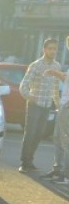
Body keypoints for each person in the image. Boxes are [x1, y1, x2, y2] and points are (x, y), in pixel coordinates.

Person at [17, 37, 65, 173]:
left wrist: (57, 103)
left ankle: (30, 160)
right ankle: (24, 162)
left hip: (46, 105)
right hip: (34, 104)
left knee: (39, 134)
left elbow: (55, 86)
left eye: (55, 49)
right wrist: (29, 96)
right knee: (30, 133)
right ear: (44, 49)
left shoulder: (57, 66)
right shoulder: (36, 65)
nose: (53, 51)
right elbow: (24, 85)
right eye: (50, 49)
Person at [51, 36, 69, 184]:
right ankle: (58, 170)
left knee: (65, 140)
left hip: (67, 107)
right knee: (57, 137)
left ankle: (66, 175)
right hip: (63, 105)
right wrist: (56, 74)